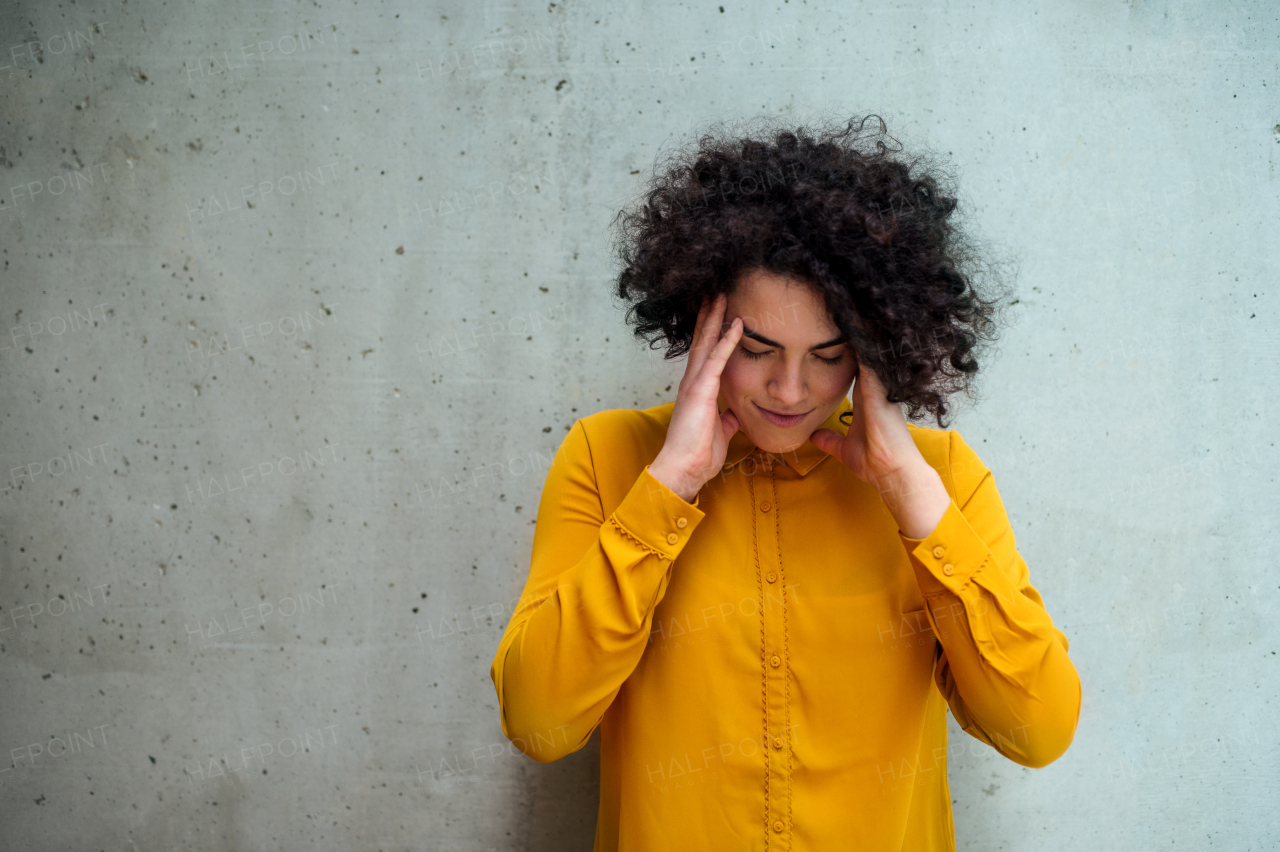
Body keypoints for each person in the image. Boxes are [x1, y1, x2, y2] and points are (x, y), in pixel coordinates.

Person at [489, 114, 1081, 851]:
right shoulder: (609, 458)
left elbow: (1038, 729)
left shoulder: (943, 478)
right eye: (758, 348)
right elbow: (540, 722)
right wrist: (668, 486)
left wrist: (913, 499)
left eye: (827, 354)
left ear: (874, 347)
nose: (791, 389)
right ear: (702, 324)